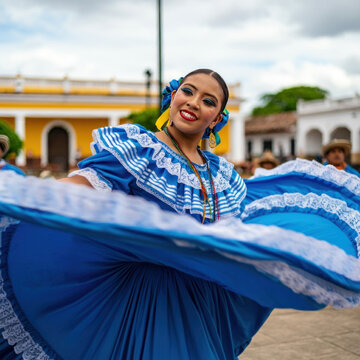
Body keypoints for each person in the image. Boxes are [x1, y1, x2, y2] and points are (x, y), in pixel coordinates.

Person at [0, 69, 359, 360]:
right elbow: (87, 182)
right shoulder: (140, 148)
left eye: (208, 101)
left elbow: (238, 229)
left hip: (201, 299)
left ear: (217, 118)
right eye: (187, 91)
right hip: (142, 296)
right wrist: (29, 193)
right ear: (173, 96)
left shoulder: (224, 174)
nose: (193, 102)